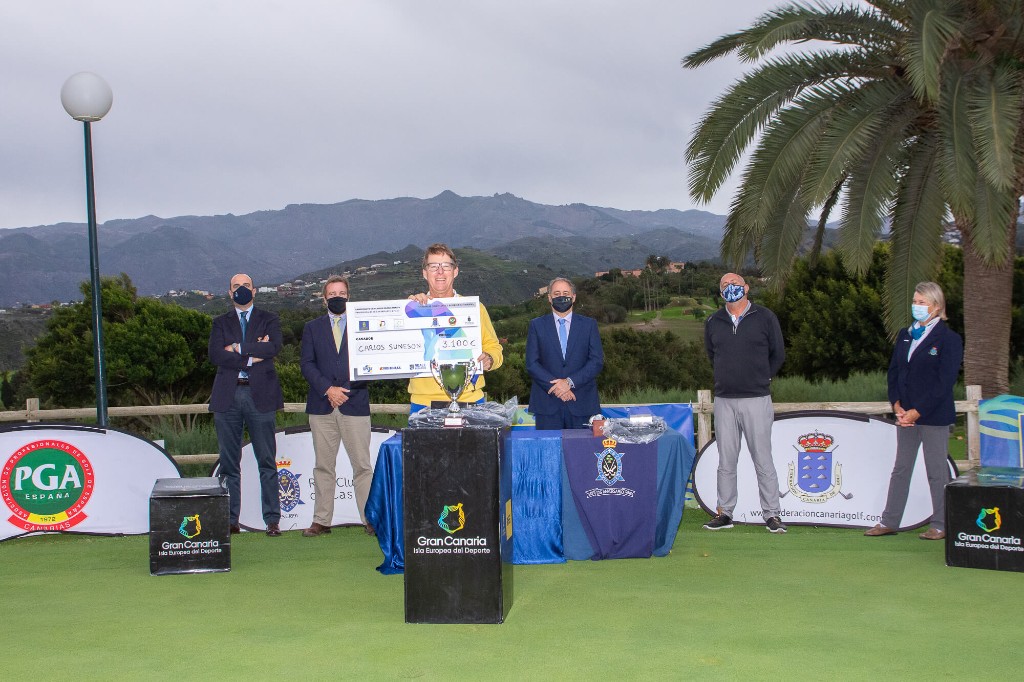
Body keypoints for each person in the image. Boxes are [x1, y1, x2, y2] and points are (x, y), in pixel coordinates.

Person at [865, 282, 963, 540]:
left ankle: (941, 524)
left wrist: (918, 411)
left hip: (933, 416)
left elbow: (945, 382)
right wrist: (896, 404)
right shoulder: (905, 335)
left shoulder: (949, 340)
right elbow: (895, 373)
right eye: (915, 301)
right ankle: (889, 521)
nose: (916, 306)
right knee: (901, 469)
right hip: (905, 415)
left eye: (922, 303)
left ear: (937, 307)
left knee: (936, 471)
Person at [703, 272, 787, 533]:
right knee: (726, 460)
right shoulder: (713, 321)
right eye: (725, 285)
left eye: (735, 284)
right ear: (720, 292)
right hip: (725, 400)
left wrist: (761, 378)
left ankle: (772, 515)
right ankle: (725, 513)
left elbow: (778, 354)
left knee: (763, 458)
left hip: (757, 399)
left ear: (746, 288)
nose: (730, 288)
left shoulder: (765, 317)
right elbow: (711, 355)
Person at [208, 273, 283, 536]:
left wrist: (237, 348)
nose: (242, 290)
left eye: (246, 286)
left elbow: (273, 347)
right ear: (229, 293)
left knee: (266, 460)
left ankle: (272, 520)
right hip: (227, 397)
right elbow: (215, 354)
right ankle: (230, 520)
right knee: (229, 463)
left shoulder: (269, 319)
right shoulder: (220, 323)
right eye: (236, 287)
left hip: (260, 395)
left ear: (255, 290)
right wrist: (251, 356)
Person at [300, 276, 374, 537]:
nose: (337, 297)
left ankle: (370, 520)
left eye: (342, 293)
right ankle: (321, 520)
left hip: (355, 404)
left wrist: (345, 391)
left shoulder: (364, 326)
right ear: (324, 298)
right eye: (332, 294)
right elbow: (306, 364)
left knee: (363, 467)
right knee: (323, 466)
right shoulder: (311, 328)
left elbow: (371, 363)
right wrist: (328, 390)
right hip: (321, 406)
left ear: (349, 296)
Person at [406, 243, 504, 411]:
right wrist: (407, 309)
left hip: (470, 399)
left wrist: (490, 358)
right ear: (424, 273)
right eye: (433, 266)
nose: (440, 272)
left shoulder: (475, 308)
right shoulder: (413, 307)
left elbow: (495, 348)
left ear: (455, 271)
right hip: (423, 402)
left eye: (446, 266)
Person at [525, 277, 604, 430]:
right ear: (549, 298)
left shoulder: (589, 325)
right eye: (557, 293)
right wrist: (558, 387)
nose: (561, 297)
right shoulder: (536, 325)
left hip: (582, 403)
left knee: (581, 453)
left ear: (573, 297)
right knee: (550, 453)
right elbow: (532, 363)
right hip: (547, 405)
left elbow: (596, 361)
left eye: (566, 293)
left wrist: (568, 383)